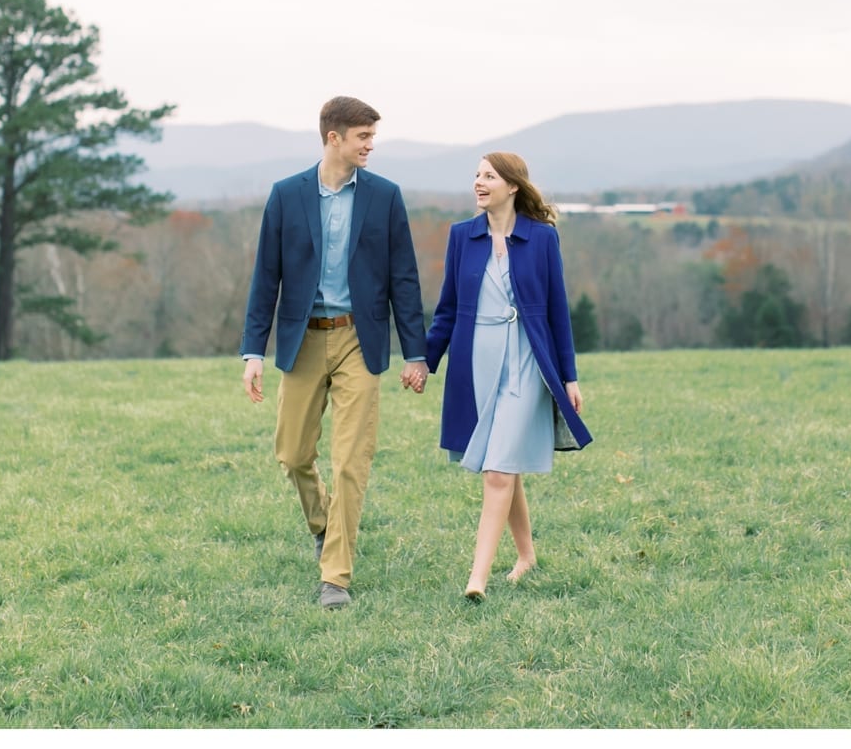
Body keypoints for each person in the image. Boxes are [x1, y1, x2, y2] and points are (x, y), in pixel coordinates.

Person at [241, 95, 429, 609]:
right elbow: (266, 278)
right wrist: (252, 352)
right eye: (363, 137)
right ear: (334, 138)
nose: (371, 145)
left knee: (351, 460)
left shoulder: (385, 197)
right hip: (302, 339)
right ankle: (325, 524)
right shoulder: (286, 195)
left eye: (373, 137)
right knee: (293, 453)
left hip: (358, 340)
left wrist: (417, 353)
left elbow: (404, 279)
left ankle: (336, 577)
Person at [424, 151, 591, 601]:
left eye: (489, 177)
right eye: (477, 175)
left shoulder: (542, 238)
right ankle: (526, 555)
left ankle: (477, 578)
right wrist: (425, 361)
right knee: (504, 461)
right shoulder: (462, 236)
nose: (479, 183)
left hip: (526, 361)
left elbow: (558, 311)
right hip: (476, 360)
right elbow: (447, 308)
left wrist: (569, 377)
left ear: (512, 185)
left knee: (496, 469)